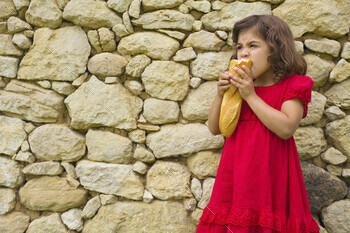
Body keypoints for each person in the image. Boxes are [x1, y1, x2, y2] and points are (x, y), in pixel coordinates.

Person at [196, 15, 321, 233]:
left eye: (253, 45)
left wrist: (250, 96)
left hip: (271, 177)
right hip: (235, 176)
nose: (243, 53)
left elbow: (285, 128)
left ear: (275, 50)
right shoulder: (238, 89)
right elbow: (215, 128)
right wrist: (220, 94)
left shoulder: (293, 85)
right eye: (239, 47)